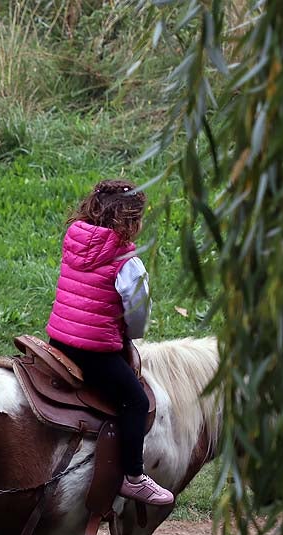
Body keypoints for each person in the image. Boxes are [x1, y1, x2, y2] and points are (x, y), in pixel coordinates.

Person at [45, 179, 174, 506]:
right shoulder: (127, 262)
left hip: (59, 339)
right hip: (94, 352)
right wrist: (129, 336)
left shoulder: (75, 238)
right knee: (136, 400)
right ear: (131, 220)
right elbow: (137, 317)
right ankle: (133, 477)